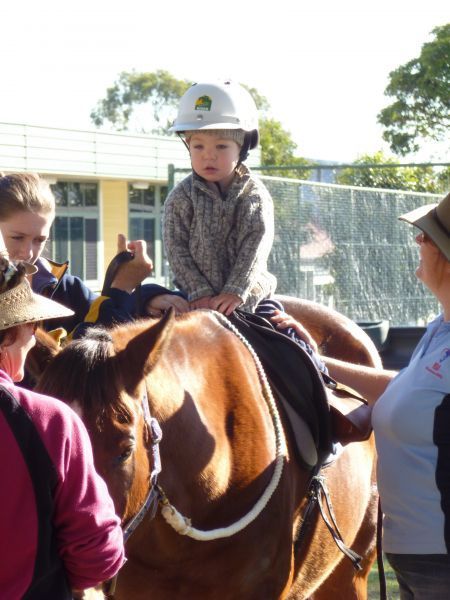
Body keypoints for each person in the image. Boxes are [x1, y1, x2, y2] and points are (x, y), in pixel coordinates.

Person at [272, 191, 450, 599]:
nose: (417, 243)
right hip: (417, 554)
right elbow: (406, 389)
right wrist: (315, 360)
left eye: (426, 237)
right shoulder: (438, 330)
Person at [0, 248, 125, 599]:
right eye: (34, 323)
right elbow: (97, 556)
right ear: (17, 328)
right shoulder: (49, 422)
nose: (35, 335)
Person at [0, 172, 188, 340]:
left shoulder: (64, 287)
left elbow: (105, 336)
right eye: (17, 237)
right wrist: (121, 286)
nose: (28, 252)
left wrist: (146, 300)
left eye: (40, 240)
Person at [163, 80, 277, 316]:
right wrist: (199, 290)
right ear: (188, 146)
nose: (209, 156)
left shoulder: (253, 195)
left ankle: (303, 353)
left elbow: (254, 246)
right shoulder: (180, 197)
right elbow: (176, 250)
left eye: (222, 146)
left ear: (242, 146)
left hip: (248, 293)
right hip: (195, 296)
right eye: (198, 147)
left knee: (285, 340)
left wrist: (236, 290)